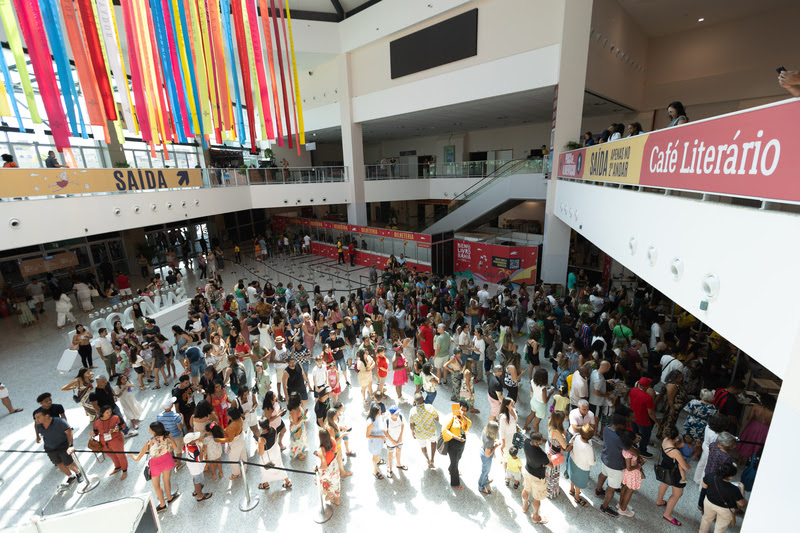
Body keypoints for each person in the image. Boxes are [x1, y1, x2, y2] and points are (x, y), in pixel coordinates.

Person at [128, 422, 180, 513]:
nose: (149, 430)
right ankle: (170, 498)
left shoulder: (149, 443)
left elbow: (137, 458)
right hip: (167, 460)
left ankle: (162, 504)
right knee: (166, 481)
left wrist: (132, 456)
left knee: (156, 485)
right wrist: (169, 437)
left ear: (154, 431)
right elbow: (175, 446)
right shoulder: (167, 437)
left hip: (155, 464)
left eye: (150, 429)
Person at [33, 409, 82, 490]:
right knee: (59, 464)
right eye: (35, 418)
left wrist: (71, 445)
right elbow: (37, 430)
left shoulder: (60, 422)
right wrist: (37, 437)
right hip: (50, 448)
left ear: (47, 416)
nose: (36, 420)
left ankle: (78, 473)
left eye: (38, 417)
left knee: (69, 463)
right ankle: (70, 476)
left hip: (63, 446)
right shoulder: (39, 425)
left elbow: (69, 432)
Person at [594, 413, 629, 518]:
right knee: (612, 487)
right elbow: (630, 450)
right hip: (616, 466)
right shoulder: (619, 438)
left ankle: (598, 490)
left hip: (606, 459)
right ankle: (604, 507)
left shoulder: (607, 428)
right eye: (625, 424)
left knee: (603, 474)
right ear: (619, 425)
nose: (626, 426)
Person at [656, 426, 692, 526]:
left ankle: (659, 501)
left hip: (665, 466)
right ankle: (667, 515)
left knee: (664, 483)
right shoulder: (675, 451)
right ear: (675, 438)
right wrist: (688, 466)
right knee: (677, 494)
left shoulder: (665, 440)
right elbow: (685, 466)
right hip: (675, 472)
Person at [700, 463, 747, 533]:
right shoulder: (734, 489)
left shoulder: (710, 477)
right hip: (725, 509)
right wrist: (742, 489)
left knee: (706, 520)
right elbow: (741, 503)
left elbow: (704, 488)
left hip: (709, 502)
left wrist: (700, 503)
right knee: (720, 527)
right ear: (730, 477)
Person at [522, 431, 552, 524]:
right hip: (537, 477)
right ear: (536, 443)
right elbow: (550, 465)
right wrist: (549, 457)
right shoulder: (541, 455)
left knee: (526, 490)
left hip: (527, 471)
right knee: (536, 497)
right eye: (540, 441)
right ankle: (536, 517)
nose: (542, 441)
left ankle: (524, 506)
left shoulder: (526, 442)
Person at [92, 405, 128, 480]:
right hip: (104, 442)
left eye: (110, 412)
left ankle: (124, 470)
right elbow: (95, 431)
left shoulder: (116, 418)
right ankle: (118, 467)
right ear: (102, 413)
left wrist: (117, 429)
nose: (109, 414)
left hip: (116, 439)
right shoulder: (97, 422)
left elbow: (123, 426)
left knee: (120, 455)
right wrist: (93, 434)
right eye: (107, 412)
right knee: (111, 455)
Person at [442, 400, 471, 490]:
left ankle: (451, 469)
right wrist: (455, 437)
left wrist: (462, 415)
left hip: (462, 441)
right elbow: (444, 430)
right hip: (453, 442)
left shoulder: (463, 417)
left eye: (465, 410)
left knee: (458, 458)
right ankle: (455, 483)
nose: (463, 411)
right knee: (455, 464)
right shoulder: (451, 416)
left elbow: (469, 423)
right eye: (461, 409)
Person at [257, 418, 292, 490]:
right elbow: (275, 438)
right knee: (279, 465)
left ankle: (266, 484)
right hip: (275, 450)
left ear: (260, 427)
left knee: (264, 469)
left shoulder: (261, 439)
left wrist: (257, 445)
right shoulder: (273, 428)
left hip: (267, 454)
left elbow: (261, 452)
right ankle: (287, 481)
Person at [684, 389, 719, 459]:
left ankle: (685, 451)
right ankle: (696, 455)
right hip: (704, 425)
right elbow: (715, 418)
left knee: (687, 436)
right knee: (700, 440)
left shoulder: (694, 402)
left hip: (691, 422)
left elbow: (686, 409)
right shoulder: (714, 408)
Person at [736, 394, 774, 458]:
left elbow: (749, 418)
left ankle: (740, 457)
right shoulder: (773, 412)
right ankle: (753, 458)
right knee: (759, 443)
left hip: (753, 426)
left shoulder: (756, 407)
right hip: (765, 429)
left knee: (748, 441)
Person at [617, 430, 644, 517]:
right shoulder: (630, 452)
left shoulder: (624, 447)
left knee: (624, 487)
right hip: (632, 473)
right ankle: (623, 509)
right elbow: (629, 468)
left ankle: (620, 504)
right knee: (630, 490)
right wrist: (639, 465)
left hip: (626, 473)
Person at [567, 423, 594, 507]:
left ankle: (571, 489)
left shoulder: (576, 436)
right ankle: (577, 497)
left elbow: (570, 443)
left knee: (572, 475)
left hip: (572, 460)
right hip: (582, 467)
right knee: (578, 483)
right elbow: (591, 462)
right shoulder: (588, 447)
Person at [409, 392, 439, 468]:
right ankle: (432, 459)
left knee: (423, 446)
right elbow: (437, 419)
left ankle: (428, 459)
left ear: (415, 402)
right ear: (423, 399)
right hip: (431, 431)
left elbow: (412, 425)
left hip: (420, 433)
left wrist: (413, 432)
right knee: (433, 442)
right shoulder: (430, 407)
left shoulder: (412, 411)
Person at [629, 377, 656, 457]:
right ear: (646, 386)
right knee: (645, 436)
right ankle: (642, 450)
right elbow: (650, 412)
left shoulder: (633, 390)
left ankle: (632, 446)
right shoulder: (648, 398)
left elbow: (629, 401)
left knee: (634, 432)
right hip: (644, 420)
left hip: (633, 416)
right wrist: (657, 422)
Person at [546, 411, 571, 499]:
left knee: (549, 472)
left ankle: (548, 488)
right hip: (555, 455)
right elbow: (564, 445)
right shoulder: (556, 432)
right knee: (554, 474)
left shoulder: (550, 424)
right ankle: (552, 493)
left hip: (549, 450)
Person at [183, 432, 212, 502]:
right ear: (191, 441)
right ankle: (200, 495)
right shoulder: (194, 449)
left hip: (191, 465)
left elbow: (183, 449)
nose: (197, 439)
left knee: (195, 478)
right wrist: (201, 447)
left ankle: (196, 490)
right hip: (196, 467)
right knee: (197, 480)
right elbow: (200, 459)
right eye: (195, 438)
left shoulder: (187, 444)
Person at [315, 428, 341, 505]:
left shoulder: (322, 450)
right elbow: (335, 452)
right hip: (334, 467)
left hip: (327, 471)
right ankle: (337, 500)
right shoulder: (332, 440)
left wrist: (316, 468)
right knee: (336, 484)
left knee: (317, 481)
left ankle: (329, 494)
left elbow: (324, 466)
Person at [478, 420, 500, 494]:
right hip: (486, 456)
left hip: (483, 449)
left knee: (486, 470)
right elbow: (488, 454)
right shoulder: (489, 441)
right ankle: (481, 486)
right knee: (485, 471)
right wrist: (496, 446)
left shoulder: (485, 430)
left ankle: (485, 480)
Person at [366, 404, 387, 479]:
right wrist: (380, 437)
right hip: (375, 443)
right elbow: (367, 436)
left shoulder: (377, 416)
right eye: (379, 411)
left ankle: (377, 461)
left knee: (377, 454)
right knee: (375, 455)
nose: (381, 412)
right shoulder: (370, 423)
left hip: (379, 440)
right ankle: (375, 471)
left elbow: (381, 419)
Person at [385, 405, 407, 477]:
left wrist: (400, 437)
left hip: (399, 440)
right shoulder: (387, 420)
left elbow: (402, 425)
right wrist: (392, 441)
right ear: (391, 414)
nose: (397, 414)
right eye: (395, 413)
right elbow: (385, 432)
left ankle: (398, 464)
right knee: (390, 454)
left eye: (398, 412)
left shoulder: (400, 416)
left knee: (398, 451)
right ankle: (390, 469)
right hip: (390, 442)